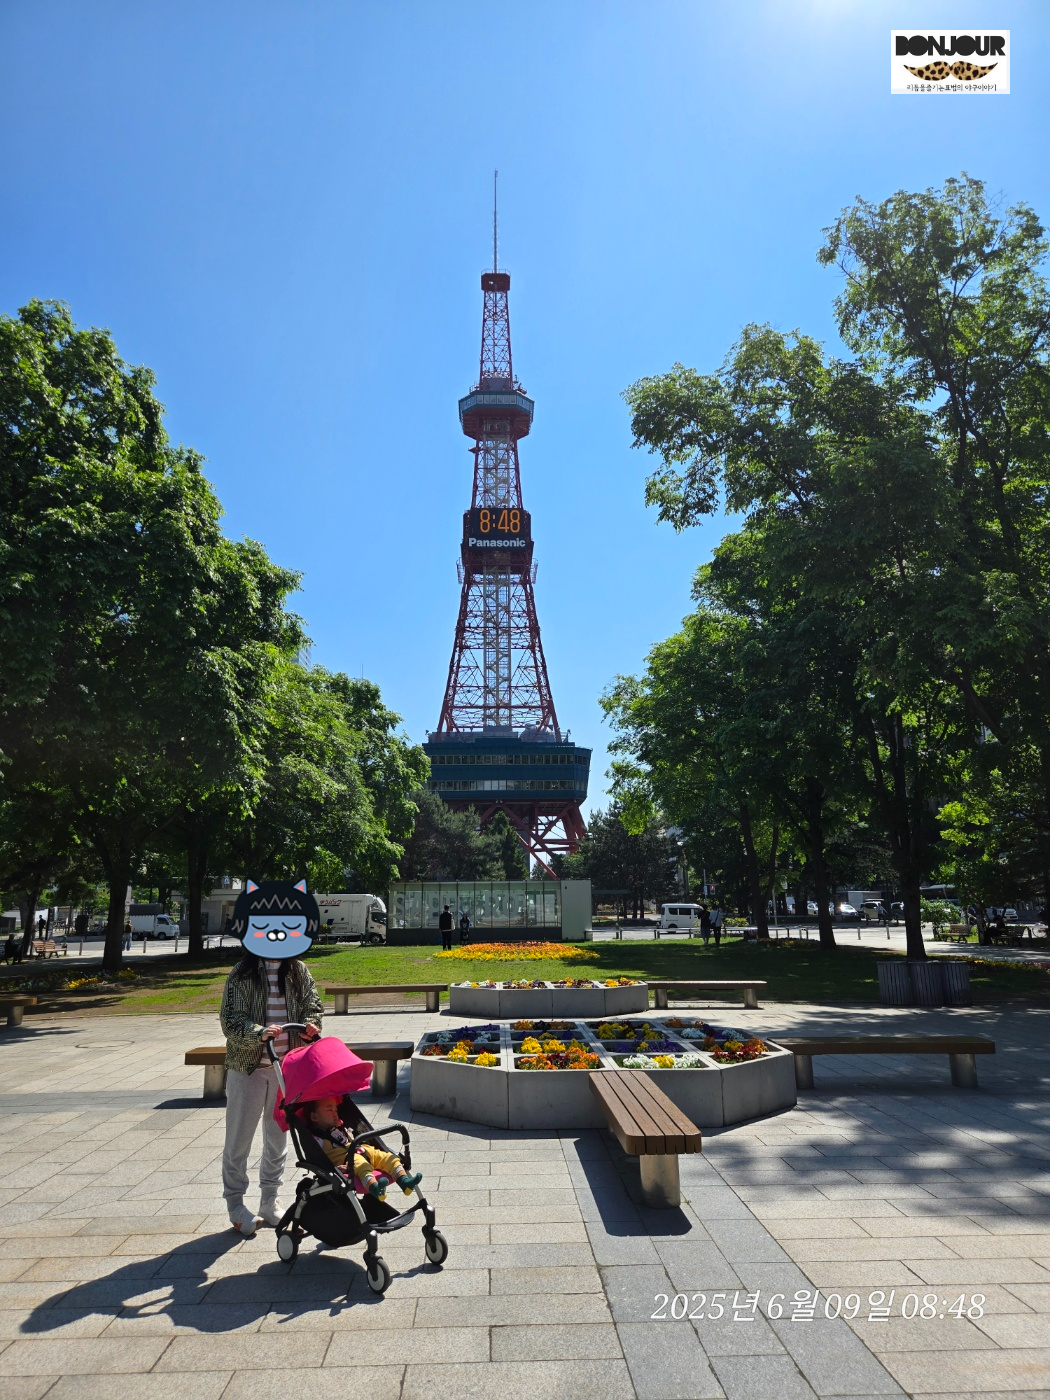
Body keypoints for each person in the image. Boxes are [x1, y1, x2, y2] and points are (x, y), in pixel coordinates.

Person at [220, 878, 324, 1237]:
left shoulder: (298, 971)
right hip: (249, 1068)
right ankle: (236, 1204)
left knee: (277, 1139)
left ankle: (270, 1200)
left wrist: (312, 1024)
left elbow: (313, 1004)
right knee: (239, 1139)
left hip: (285, 1071)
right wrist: (257, 1032)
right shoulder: (242, 974)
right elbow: (230, 1019)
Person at [301, 1095, 422, 1200]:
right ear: (315, 1117)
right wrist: (335, 1169)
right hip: (349, 1160)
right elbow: (319, 1159)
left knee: (388, 1157)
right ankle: (375, 1188)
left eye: (335, 1109)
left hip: (362, 1149)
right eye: (329, 1110)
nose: (335, 1113)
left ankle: (404, 1182)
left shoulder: (339, 1126)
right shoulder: (317, 1139)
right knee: (361, 1164)